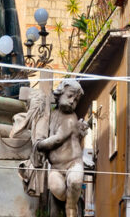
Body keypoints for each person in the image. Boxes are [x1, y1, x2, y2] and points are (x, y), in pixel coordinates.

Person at [36, 79, 86, 217]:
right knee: (56, 188)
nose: (72, 102)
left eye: (76, 100)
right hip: (56, 168)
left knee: (75, 181)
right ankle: (72, 201)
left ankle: (71, 207)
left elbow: (57, 139)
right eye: (70, 96)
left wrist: (39, 145)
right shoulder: (52, 115)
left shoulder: (70, 117)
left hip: (73, 164)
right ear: (60, 94)